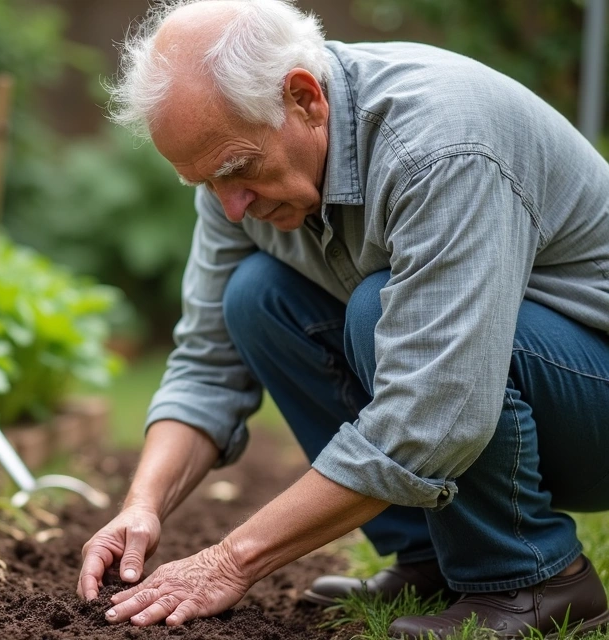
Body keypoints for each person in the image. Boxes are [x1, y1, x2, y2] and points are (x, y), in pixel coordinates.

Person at [74, 1, 609, 637]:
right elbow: (207, 363)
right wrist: (143, 505)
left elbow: (434, 410)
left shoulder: (440, 149)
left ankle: (534, 579)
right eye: (204, 183)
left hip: (591, 401)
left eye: (235, 170)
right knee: (254, 295)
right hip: (512, 396)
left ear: (304, 98)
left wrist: (229, 561)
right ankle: (433, 555)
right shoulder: (235, 177)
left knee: (378, 309)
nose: (230, 207)